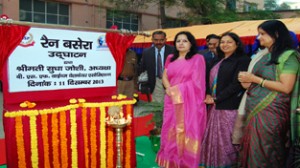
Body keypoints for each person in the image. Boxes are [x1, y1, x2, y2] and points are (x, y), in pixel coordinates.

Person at [238, 20, 300, 167]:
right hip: (254, 108)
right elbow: (256, 83)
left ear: (276, 34)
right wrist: (247, 82)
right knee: (252, 147)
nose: (258, 37)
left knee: (267, 149)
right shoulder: (264, 56)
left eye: (262, 34)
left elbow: (286, 87)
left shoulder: (289, 56)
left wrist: (255, 79)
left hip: (273, 112)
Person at [199, 32, 251, 168]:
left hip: (229, 106)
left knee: (228, 141)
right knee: (214, 140)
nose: (225, 45)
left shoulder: (242, 60)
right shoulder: (217, 59)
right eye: (222, 42)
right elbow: (208, 80)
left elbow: (236, 84)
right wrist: (209, 94)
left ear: (237, 44)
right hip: (214, 106)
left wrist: (217, 99)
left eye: (229, 42)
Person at [156, 31, 207, 168]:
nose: (181, 43)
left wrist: (176, 90)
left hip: (189, 103)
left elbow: (197, 83)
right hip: (171, 100)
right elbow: (165, 76)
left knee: (186, 129)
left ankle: (186, 161)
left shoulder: (197, 59)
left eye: (185, 41)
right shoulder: (171, 58)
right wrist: (169, 89)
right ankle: (171, 159)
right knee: (170, 127)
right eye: (178, 41)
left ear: (191, 44)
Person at [141, 31, 174, 102]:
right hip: (156, 81)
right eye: (156, 40)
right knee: (158, 105)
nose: (159, 42)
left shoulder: (173, 50)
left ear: (165, 39)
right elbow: (142, 68)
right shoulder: (147, 52)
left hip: (172, 81)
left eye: (161, 40)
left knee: (172, 104)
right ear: (152, 40)